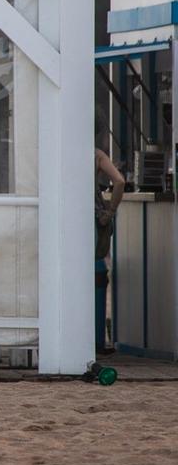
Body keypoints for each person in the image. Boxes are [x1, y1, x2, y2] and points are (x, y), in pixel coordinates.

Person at [96, 149, 129, 355]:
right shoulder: (96, 155)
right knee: (98, 275)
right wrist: (111, 211)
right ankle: (97, 339)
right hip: (95, 220)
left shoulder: (57, 149)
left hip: (66, 220)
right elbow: (119, 181)